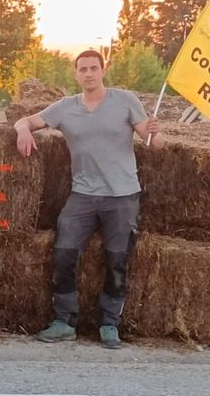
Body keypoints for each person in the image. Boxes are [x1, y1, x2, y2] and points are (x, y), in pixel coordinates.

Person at [14, 49, 161, 349]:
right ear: (76, 74)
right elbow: (26, 121)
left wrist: (155, 132)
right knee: (64, 253)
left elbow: (153, 141)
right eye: (83, 69)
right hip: (83, 195)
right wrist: (21, 131)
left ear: (103, 70)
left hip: (122, 196)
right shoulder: (65, 107)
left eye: (94, 68)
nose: (89, 74)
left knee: (117, 260)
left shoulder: (125, 101)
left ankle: (109, 324)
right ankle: (64, 321)